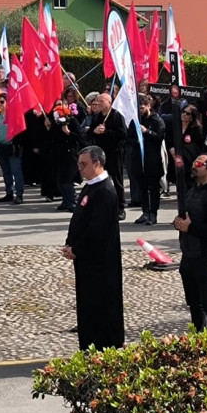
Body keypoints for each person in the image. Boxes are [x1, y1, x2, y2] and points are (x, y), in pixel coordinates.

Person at [62, 146, 125, 351]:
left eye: (84, 164)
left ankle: (105, 346)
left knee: (102, 305)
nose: (80, 169)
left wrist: (77, 249)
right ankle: (89, 344)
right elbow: (80, 218)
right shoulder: (90, 186)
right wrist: (70, 241)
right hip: (87, 260)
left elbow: (96, 229)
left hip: (100, 261)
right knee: (88, 304)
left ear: (97, 164)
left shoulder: (106, 190)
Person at [174, 153, 207, 332]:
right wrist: (179, 223)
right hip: (189, 255)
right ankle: (199, 337)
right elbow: (188, 218)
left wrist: (191, 227)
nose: (194, 165)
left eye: (199, 162)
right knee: (194, 304)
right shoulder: (193, 191)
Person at [88, 93, 128, 220]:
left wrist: (106, 132)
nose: (99, 104)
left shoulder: (116, 116)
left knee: (117, 180)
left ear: (109, 102)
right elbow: (89, 133)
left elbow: (122, 134)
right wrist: (94, 131)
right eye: (97, 101)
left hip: (114, 153)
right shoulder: (97, 116)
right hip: (100, 154)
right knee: (100, 180)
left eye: (101, 101)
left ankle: (120, 207)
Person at [130, 94, 166, 225]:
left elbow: (159, 137)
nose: (140, 110)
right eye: (138, 108)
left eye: (142, 108)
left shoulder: (157, 120)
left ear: (149, 106)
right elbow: (129, 138)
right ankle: (145, 212)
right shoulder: (136, 120)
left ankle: (153, 213)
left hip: (152, 160)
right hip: (139, 159)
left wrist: (147, 132)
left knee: (153, 188)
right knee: (142, 188)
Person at [46, 102, 82, 212]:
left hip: (69, 154)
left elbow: (80, 137)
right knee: (60, 179)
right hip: (58, 153)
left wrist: (68, 133)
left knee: (67, 179)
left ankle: (72, 201)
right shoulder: (56, 123)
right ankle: (65, 201)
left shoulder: (72, 121)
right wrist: (48, 127)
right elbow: (52, 137)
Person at [169, 105, 205, 209]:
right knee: (180, 189)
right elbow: (169, 140)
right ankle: (181, 213)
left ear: (192, 117)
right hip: (176, 163)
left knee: (190, 190)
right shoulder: (176, 126)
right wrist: (171, 148)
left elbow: (199, 147)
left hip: (190, 163)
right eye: (183, 112)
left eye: (187, 113)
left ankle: (191, 213)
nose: (184, 114)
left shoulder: (196, 129)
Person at [0, 94, 25, 204]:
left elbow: (20, 132)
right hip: (0, 149)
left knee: (16, 171)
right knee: (6, 172)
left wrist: (17, 145)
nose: (0, 104)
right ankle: (9, 193)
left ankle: (19, 194)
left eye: (2, 102)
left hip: (12, 149)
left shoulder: (14, 115)